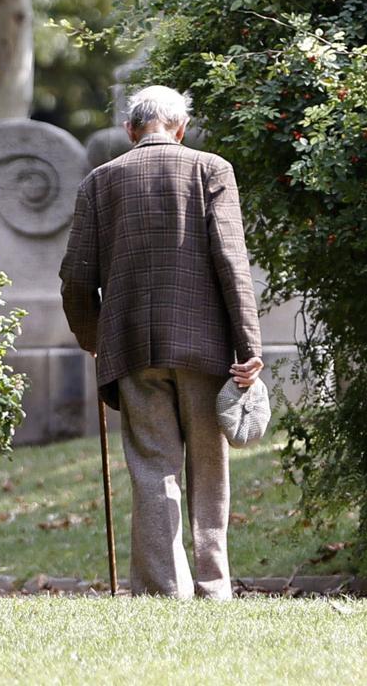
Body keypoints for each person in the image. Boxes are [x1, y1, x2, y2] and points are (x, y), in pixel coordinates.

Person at [59, 85, 264, 600]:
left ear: (131, 130)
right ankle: (213, 587)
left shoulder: (98, 182)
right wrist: (248, 347)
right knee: (208, 471)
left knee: (153, 470)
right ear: (180, 127)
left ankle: (162, 591)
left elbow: (76, 282)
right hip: (205, 347)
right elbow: (231, 263)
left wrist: (94, 338)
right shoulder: (211, 169)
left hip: (130, 348)